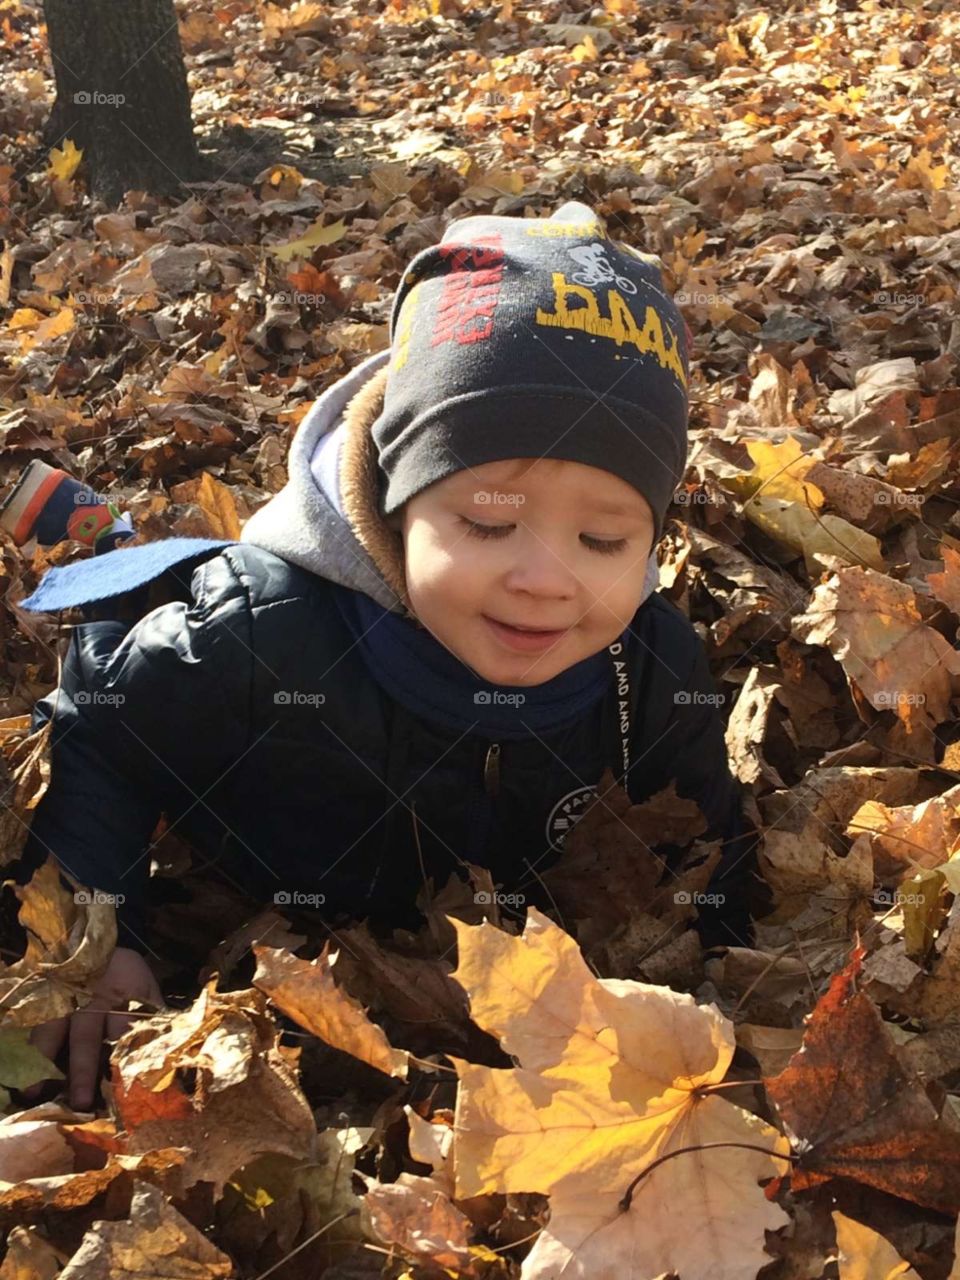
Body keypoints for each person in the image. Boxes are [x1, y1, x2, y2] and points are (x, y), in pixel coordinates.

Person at [9, 200, 759, 1110]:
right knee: (126, 578)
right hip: (276, 904)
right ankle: (85, 524)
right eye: (490, 522)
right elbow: (100, 734)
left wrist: (725, 972)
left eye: (603, 541)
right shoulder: (259, 635)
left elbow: (713, 843)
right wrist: (101, 933)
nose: (546, 579)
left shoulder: (649, 670)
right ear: (399, 501)